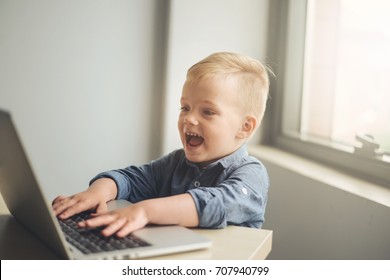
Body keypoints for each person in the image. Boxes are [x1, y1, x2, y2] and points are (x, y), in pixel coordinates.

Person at [52, 52, 271, 238]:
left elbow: (214, 203)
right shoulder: (175, 162)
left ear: (245, 126)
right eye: (185, 107)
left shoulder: (251, 174)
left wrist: (146, 211)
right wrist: (98, 191)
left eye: (207, 112)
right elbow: (132, 178)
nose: (189, 119)